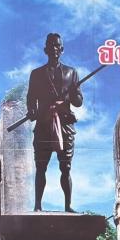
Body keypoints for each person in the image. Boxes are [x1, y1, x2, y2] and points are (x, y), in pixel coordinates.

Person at [26, 33, 83, 212]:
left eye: (57, 45)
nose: (54, 48)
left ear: (62, 49)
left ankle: (68, 205)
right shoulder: (36, 74)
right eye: (51, 45)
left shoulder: (71, 73)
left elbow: (79, 101)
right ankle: (37, 205)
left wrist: (73, 94)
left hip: (65, 124)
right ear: (45, 49)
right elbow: (31, 98)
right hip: (43, 124)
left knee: (65, 167)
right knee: (41, 166)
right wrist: (32, 110)